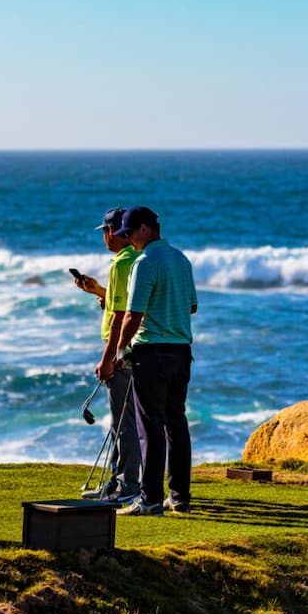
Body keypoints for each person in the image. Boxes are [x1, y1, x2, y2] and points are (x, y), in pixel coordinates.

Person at [112, 207, 197, 516]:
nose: (128, 240)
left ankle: (149, 499)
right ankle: (179, 497)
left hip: (151, 353)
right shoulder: (181, 259)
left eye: (130, 234)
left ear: (145, 229)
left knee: (150, 427)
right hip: (181, 352)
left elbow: (133, 314)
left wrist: (121, 349)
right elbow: (192, 307)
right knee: (177, 424)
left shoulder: (145, 262)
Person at [75, 207, 142, 504]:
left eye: (105, 231)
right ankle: (117, 481)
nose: (104, 236)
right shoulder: (138, 260)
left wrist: (108, 358)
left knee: (123, 421)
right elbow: (126, 306)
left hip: (121, 349)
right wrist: (97, 291)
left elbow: (118, 316)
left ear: (113, 232)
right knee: (125, 420)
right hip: (138, 346)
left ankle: (127, 486)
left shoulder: (121, 264)